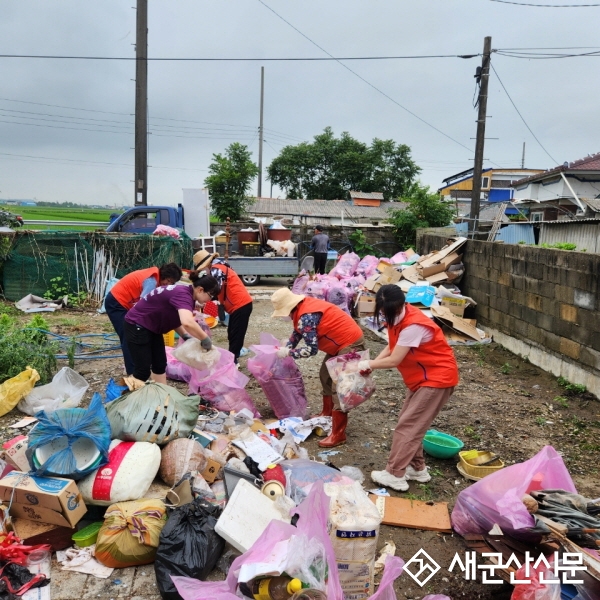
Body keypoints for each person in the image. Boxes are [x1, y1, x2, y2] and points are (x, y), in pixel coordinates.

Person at [355, 284, 459, 492]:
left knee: (408, 425)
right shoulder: (400, 316)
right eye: (383, 311)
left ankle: (395, 474)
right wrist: (374, 362)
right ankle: (417, 468)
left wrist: (369, 364)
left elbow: (395, 359)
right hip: (421, 378)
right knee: (412, 423)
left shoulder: (413, 324)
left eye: (389, 311)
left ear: (401, 304)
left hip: (436, 379)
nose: (386, 315)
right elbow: (393, 345)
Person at [271, 287, 365, 448]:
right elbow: (298, 332)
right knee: (325, 375)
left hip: (349, 343)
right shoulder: (303, 308)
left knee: (340, 386)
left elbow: (311, 350)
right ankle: (327, 413)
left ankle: (338, 434)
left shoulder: (306, 316)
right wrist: (286, 347)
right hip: (339, 343)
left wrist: (290, 352)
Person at [123, 272, 219, 384]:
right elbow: (187, 322)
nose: (210, 300)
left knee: (160, 365)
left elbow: (173, 317)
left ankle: (162, 396)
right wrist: (205, 339)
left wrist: (184, 335)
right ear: (200, 290)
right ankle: (127, 398)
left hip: (152, 327)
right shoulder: (184, 295)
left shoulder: (185, 292)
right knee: (142, 371)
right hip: (137, 325)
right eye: (210, 296)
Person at [105, 263, 182, 375]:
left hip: (128, 303)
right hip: (117, 302)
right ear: (164, 276)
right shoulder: (151, 282)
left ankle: (140, 367)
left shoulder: (158, 282)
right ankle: (132, 373)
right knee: (128, 336)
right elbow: (143, 306)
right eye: (169, 281)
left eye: (173, 283)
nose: (169, 285)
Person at [193, 250, 253, 362]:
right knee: (232, 333)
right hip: (238, 304)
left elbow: (215, 289)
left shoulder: (216, 268)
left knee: (236, 335)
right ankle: (232, 359)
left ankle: (233, 362)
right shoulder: (220, 266)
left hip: (240, 304)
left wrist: (201, 300)